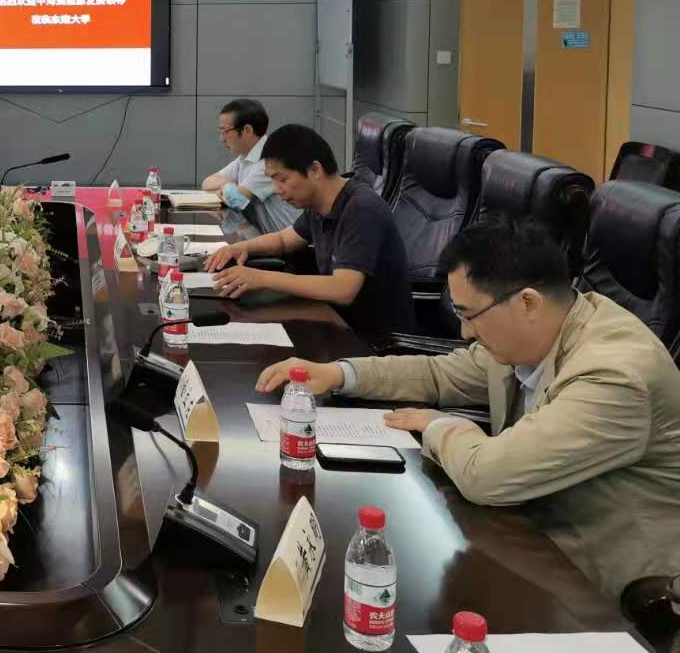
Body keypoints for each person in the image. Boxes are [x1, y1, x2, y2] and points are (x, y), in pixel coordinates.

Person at [256, 217, 680, 599]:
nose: (464, 332)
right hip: (525, 528)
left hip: (603, 585)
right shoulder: (535, 333)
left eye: (469, 315)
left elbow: (487, 475)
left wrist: (438, 425)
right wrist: (338, 373)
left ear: (528, 302)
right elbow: (440, 373)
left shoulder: (615, 375)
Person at [206, 123, 415, 340]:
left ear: (315, 170)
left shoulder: (362, 209)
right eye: (272, 180)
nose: (277, 190)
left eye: (282, 179)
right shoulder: (318, 204)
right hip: (336, 323)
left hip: (374, 341)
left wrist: (261, 278)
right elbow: (284, 240)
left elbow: (343, 289)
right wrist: (240, 247)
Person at [200, 99, 300, 234]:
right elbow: (207, 183)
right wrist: (227, 184)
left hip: (292, 242)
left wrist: (227, 189)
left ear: (247, 130)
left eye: (225, 132)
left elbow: (234, 201)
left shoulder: (269, 160)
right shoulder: (245, 157)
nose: (222, 139)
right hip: (268, 237)